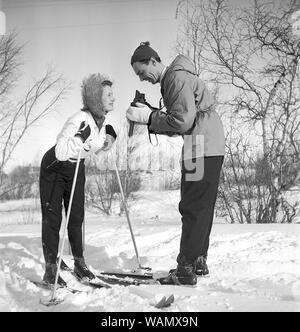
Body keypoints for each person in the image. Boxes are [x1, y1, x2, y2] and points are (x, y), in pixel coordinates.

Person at [126, 42, 225, 285]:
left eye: (141, 72)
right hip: (210, 144)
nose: (142, 79)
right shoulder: (180, 77)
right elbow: (181, 121)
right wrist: (150, 115)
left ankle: (185, 269)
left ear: (152, 61)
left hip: (199, 147)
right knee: (202, 206)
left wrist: (149, 117)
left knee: (192, 206)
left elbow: (180, 122)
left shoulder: (174, 79)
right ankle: (198, 259)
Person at [40, 73, 117, 286]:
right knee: (53, 218)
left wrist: (109, 139)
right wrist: (79, 138)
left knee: (76, 217)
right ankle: (50, 267)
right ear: (95, 97)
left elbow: (96, 148)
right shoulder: (78, 119)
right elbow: (60, 151)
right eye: (108, 95)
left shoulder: (101, 121)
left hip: (76, 167)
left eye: (113, 94)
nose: (113, 98)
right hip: (54, 167)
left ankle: (79, 262)